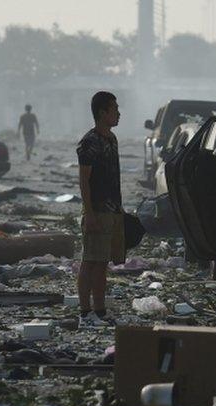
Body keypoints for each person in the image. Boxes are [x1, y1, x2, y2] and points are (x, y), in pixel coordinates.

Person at [76, 91, 124, 327]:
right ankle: (86, 313)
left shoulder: (111, 139)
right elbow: (84, 181)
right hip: (96, 211)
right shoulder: (90, 142)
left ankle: (100, 310)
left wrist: (118, 211)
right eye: (114, 109)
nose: (118, 113)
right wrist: (90, 213)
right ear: (102, 112)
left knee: (102, 262)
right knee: (90, 261)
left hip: (111, 210)